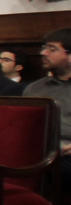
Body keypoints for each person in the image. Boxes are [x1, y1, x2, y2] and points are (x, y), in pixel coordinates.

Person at [24, 28, 71, 193]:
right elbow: (24, 126)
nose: (43, 53)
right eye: (44, 47)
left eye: (52, 49)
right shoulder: (35, 89)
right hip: (39, 150)